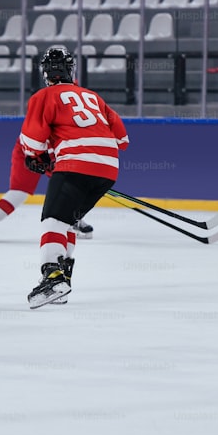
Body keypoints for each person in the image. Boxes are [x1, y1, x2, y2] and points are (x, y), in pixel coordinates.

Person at [18, 46, 129, 308]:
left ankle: (53, 277)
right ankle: (64, 282)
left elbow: (32, 141)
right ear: (72, 70)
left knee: (53, 220)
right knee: (68, 222)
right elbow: (122, 139)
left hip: (75, 164)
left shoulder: (43, 96)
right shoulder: (93, 97)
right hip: (108, 168)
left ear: (45, 73)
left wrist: (37, 157)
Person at [0, 140, 94, 242]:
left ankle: (73, 220)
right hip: (29, 149)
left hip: (52, 151)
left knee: (68, 185)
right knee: (19, 192)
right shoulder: (43, 117)